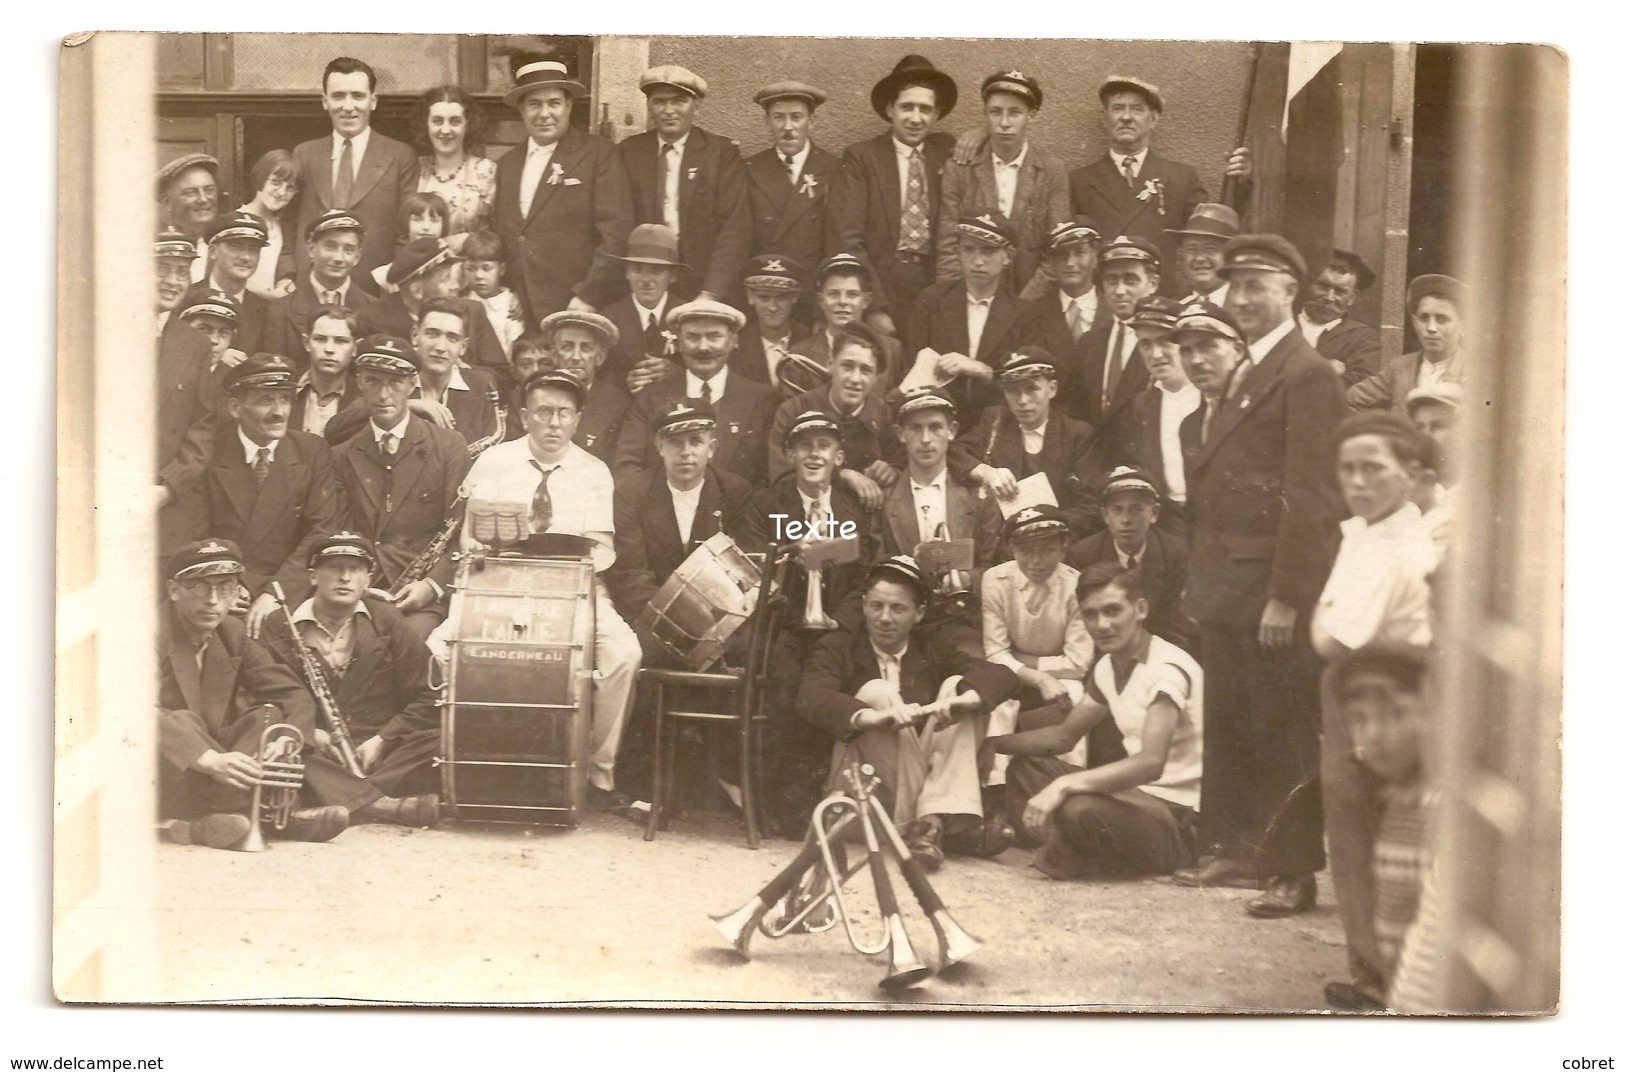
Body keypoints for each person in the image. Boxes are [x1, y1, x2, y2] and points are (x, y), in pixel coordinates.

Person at [1170, 239, 1345, 919]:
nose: (1240, 299)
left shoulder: (1305, 373)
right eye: (1233, 285)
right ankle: (1241, 850)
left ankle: (1291, 870)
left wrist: (1286, 595)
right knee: (1234, 722)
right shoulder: (1248, 372)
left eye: (1256, 286)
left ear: (1290, 292)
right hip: (1226, 587)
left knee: (1282, 726)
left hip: (1269, 591)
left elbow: (1311, 496)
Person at [157, 539, 434, 850]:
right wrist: (207, 759)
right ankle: (280, 816)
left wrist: (291, 738)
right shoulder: (145, 631)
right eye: (199, 587)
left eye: (224, 588)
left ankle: (228, 820)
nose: (212, 601)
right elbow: (128, 711)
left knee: (271, 718)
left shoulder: (230, 632)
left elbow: (292, 693)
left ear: (236, 592)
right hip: (166, 774)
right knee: (183, 719)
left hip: (222, 777)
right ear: (173, 590)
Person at [458, 370, 643, 803]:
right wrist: (482, 554)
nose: (554, 423)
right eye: (544, 412)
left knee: (624, 655)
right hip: (500, 590)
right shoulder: (493, 461)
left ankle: (598, 772)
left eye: (564, 413)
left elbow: (604, 551)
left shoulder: (594, 472)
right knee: (439, 647)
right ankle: (472, 764)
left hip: (578, 594)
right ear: (524, 417)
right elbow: (467, 538)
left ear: (578, 420)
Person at [1312, 415, 1437, 1006]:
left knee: (1364, 836)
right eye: (1347, 469)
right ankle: (1372, 965)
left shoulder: (1401, 546)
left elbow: (1331, 639)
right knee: (1353, 831)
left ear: (1412, 475)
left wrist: (1320, 623)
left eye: (1374, 469)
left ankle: (1380, 975)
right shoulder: (1366, 532)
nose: (1357, 482)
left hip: (1375, 694)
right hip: (1353, 689)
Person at [797, 555, 1020, 870]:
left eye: (898, 609)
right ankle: (939, 824)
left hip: (908, 790)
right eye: (876, 606)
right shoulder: (839, 647)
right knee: (878, 692)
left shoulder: (930, 648)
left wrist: (964, 702)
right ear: (863, 606)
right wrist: (870, 717)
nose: (885, 618)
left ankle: (927, 827)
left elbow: (1001, 676)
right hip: (860, 794)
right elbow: (812, 697)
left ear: (919, 614)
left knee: (960, 687)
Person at [990, 562, 1204, 879]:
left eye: (1113, 611)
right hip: (1132, 798)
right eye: (1091, 614)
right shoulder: (1107, 667)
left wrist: (1064, 784)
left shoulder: (1166, 669)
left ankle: (1078, 850)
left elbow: (1150, 763)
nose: (1101, 625)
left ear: (1140, 609)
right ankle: (1075, 848)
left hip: (1176, 815)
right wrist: (988, 745)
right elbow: (1063, 737)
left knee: (1079, 809)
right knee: (1026, 766)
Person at [739, 411, 881, 832]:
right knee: (784, 683)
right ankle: (781, 805)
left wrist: (839, 621)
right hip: (781, 625)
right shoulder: (767, 504)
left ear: (839, 457)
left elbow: (865, 580)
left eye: (824, 446)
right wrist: (787, 559)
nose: (814, 454)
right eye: (805, 446)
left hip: (837, 628)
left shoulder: (852, 508)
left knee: (830, 686)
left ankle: (822, 795)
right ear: (789, 454)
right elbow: (747, 569)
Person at [257, 532, 444, 814]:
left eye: (355, 569)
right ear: (312, 577)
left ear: (367, 580)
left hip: (376, 748)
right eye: (334, 567)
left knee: (443, 738)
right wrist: (309, 734)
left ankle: (337, 797)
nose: (345, 577)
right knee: (283, 749)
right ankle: (378, 806)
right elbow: (260, 699)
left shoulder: (386, 619)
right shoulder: (279, 625)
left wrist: (383, 740)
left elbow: (431, 696)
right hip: (318, 749)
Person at [329, 334, 472, 640]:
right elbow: (338, 530)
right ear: (358, 382)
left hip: (421, 600)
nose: (383, 394)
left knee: (399, 649)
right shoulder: (341, 455)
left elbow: (461, 533)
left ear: (413, 384)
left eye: (395, 382)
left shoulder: (449, 447)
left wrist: (431, 586)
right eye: (373, 381)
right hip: (358, 591)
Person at [1320, 647, 1436, 1011]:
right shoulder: (1400, 800)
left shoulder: (1438, 809)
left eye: (1396, 714)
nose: (1374, 734)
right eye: (1358, 719)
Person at [203, 352, 347, 636]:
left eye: (284, 399)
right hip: (223, 588)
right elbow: (198, 529)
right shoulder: (211, 451)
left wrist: (274, 592)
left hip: (288, 588)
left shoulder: (312, 451)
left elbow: (320, 532)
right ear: (235, 407)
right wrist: (229, 585)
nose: (279, 412)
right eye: (265, 400)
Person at [1067, 76, 1252, 288]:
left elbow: (1213, 233)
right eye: (1118, 108)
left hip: (1161, 301)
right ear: (1104, 118)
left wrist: (1239, 184)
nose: (1126, 117)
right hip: (1104, 301)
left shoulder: (1181, 178)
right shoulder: (1079, 181)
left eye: (1137, 109)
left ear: (1153, 119)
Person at [492, 57, 634, 327]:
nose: (544, 113)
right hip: (520, 309)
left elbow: (616, 235)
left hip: (578, 305)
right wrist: (509, 290)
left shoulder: (598, 154)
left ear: (568, 106)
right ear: (521, 109)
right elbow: (506, 234)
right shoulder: (508, 164)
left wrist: (589, 295)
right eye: (534, 104)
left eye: (553, 103)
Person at [979, 505, 1093, 817]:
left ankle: (1068, 786)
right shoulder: (996, 580)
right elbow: (995, 653)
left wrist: (1022, 662)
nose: (1036, 562)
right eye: (1026, 551)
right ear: (1012, 548)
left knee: (1076, 695)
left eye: (1047, 550)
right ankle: (995, 794)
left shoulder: (1076, 586)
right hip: (1014, 676)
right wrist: (1040, 677)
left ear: (1064, 547)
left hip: (1059, 678)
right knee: (998, 700)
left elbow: (1079, 663)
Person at [609, 399, 751, 636]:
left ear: (712, 448)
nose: (686, 452)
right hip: (652, 619)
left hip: (720, 621)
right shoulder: (632, 492)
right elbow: (632, 574)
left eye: (696, 441)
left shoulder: (734, 491)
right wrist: (671, 628)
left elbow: (740, 571)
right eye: (675, 443)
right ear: (660, 447)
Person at [877, 391, 1002, 659]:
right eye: (915, 428)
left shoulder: (980, 496)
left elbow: (994, 566)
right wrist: (913, 562)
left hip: (959, 620)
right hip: (899, 620)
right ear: (901, 434)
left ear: (952, 431)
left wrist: (967, 579)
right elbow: (872, 566)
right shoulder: (883, 497)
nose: (925, 439)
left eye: (935, 427)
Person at [838, 55, 960, 328]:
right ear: (890, 109)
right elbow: (848, 238)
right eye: (907, 107)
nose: (916, 118)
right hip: (883, 281)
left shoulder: (947, 152)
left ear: (937, 114)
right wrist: (874, 306)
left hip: (933, 282)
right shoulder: (862, 158)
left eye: (925, 109)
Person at [619, 65, 751, 305]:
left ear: (696, 107)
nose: (669, 111)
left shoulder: (721, 153)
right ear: (649, 107)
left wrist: (712, 293)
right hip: (646, 284)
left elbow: (735, 229)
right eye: (659, 102)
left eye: (679, 101)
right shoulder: (630, 152)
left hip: (703, 284)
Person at [615, 298, 779, 488]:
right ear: (679, 343)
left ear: (733, 340)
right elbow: (627, 466)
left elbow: (771, 476)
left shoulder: (764, 399)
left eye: (714, 336)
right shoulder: (650, 398)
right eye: (693, 337)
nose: (703, 347)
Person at [935, 70, 1070, 300]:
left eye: (1015, 113)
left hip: (1030, 303)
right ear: (985, 114)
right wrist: (962, 303)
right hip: (971, 299)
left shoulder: (1051, 171)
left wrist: (1025, 304)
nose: (1004, 123)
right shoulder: (959, 169)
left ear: (1032, 115)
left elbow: (1057, 250)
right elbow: (948, 246)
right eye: (995, 112)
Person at [954, 347, 1109, 539]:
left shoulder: (1077, 434)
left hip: (1059, 544)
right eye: (1013, 391)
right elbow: (953, 452)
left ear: (1052, 389)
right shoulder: (996, 420)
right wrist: (988, 473)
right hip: (1003, 548)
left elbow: (1094, 508)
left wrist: (1043, 527)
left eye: (1032, 389)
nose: (1023, 400)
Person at [291, 57, 419, 278]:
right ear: (325, 101)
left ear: (373, 101)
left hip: (374, 292)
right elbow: (286, 223)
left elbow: (406, 233)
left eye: (357, 96)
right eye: (338, 96)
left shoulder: (400, 156)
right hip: (310, 286)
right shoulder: (304, 154)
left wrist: (394, 284)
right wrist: (288, 274)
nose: (348, 107)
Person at [331, 292, 501, 448]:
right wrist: (406, 406)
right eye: (432, 334)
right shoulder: (392, 378)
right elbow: (336, 430)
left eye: (452, 338)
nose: (440, 347)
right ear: (415, 335)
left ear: (463, 347)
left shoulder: (481, 384)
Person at [768, 321, 904, 507]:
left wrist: (891, 470)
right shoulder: (793, 410)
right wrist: (841, 475)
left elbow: (902, 464)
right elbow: (780, 479)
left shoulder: (883, 414)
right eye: (847, 366)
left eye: (866, 370)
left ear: (876, 378)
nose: (855, 379)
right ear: (831, 364)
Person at [1064, 465, 1193, 653]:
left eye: (1136, 509)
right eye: (1116, 510)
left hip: (1159, 652)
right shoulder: (1085, 554)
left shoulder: (1175, 552)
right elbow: (1084, 623)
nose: (1125, 520)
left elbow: (1177, 625)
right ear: (1105, 515)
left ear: (1154, 513)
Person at [906, 213, 1022, 420]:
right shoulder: (932, 301)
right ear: (957, 252)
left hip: (999, 425)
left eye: (989, 251)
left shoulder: (1023, 313)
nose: (978, 261)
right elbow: (910, 370)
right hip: (937, 422)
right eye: (969, 249)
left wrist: (984, 371)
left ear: (1008, 257)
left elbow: (1025, 386)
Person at [743, 81, 846, 313]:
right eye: (779, 117)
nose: (788, 127)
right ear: (767, 122)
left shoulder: (834, 169)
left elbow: (840, 240)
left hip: (812, 295)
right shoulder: (751, 169)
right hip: (768, 294)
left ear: (812, 121)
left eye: (796, 117)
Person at [155, 227, 222, 559]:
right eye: (162, 268)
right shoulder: (103, 331)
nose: (173, 280)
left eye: (182, 271)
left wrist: (166, 487)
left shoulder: (194, 343)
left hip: (169, 505)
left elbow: (202, 427)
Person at [355, 236, 505, 371]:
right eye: (445, 279)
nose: (454, 286)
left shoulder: (473, 313)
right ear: (417, 291)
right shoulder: (370, 321)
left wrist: (465, 374)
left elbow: (501, 376)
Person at [1070, 235, 1160, 459]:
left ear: (1153, 283)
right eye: (1112, 280)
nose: (1120, 290)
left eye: (1130, 280)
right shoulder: (1090, 343)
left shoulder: (1167, 344)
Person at [1120, 295, 1202, 535]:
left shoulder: (1213, 397)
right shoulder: (1142, 405)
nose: (1155, 354)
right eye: (1145, 344)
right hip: (1166, 527)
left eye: (1164, 341)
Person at [264, 209, 377, 362]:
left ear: (357, 257)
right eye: (330, 247)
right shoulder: (280, 311)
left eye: (348, 249)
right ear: (311, 249)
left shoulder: (373, 310)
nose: (338, 257)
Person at [1014, 218, 1108, 399]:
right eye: (1062, 255)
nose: (1070, 262)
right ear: (1050, 262)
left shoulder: (1115, 314)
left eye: (1080, 252)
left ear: (1095, 257)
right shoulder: (1033, 315)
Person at [1347, 274, 1468, 413]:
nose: (1431, 328)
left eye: (1442, 319)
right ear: (1415, 322)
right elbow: (1351, 400)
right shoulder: (1400, 368)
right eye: (1424, 318)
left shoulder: (1476, 373)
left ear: (1463, 326)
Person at [788, 252, 902, 387]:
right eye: (833, 294)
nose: (842, 301)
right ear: (820, 300)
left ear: (866, 300)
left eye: (852, 295)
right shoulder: (800, 353)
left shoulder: (891, 350)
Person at [532, 310, 631, 464]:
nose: (576, 357)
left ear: (600, 357)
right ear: (554, 353)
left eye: (586, 348)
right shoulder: (532, 396)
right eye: (567, 347)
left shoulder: (618, 404)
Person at [600, 223, 686, 393]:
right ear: (627, 273)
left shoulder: (686, 315)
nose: (646, 279)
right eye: (637, 270)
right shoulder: (608, 320)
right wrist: (624, 381)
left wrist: (676, 372)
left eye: (656, 270)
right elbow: (598, 375)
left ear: (672, 276)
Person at [415, 85, 498, 236]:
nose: (445, 130)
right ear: (426, 124)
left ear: (468, 125)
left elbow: (499, 234)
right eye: (437, 121)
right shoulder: (413, 169)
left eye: (455, 121)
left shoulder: (488, 172)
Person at [190, 210, 272, 354]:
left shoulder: (267, 311)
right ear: (213, 251)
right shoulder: (186, 299)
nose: (246, 257)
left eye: (254, 249)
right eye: (236, 246)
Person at [1299, 249, 1383, 388]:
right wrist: (1325, 369)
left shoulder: (1363, 338)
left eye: (1340, 292)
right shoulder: (1280, 323)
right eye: (1323, 286)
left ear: (1352, 298)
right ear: (1308, 284)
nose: (1329, 297)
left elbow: (1361, 387)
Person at [730, 254, 809, 391]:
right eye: (764, 297)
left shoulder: (811, 339)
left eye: (781, 298)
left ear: (794, 297)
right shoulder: (736, 345)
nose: (772, 307)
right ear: (750, 296)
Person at [238, 149, 303, 299]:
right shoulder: (238, 219)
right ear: (261, 178)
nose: (281, 192)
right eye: (275, 182)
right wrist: (266, 296)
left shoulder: (278, 228)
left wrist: (283, 282)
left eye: (290, 188)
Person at [291, 304, 362, 436]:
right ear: (307, 343)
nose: (329, 349)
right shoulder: (286, 388)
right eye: (320, 339)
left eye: (340, 341)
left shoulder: (362, 398)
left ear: (355, 348)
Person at [157, 153, 220, 281]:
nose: (203, 199)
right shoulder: (154, 247)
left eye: (209, 190)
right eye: (191, 193)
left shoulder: (225, 248)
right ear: (167, 202)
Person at [463, 230, 525, 360]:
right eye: (471, 268)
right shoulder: (463, 302)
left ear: (501, 269)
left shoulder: (510, 305)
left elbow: (515, 348)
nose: (479, 276)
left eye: (486, 268)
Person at [1166, 202, 1240, 307]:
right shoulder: (1173, 308)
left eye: (1210, 249)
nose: (1199, 258)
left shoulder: (1244, 308)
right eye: (1192, 249)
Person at [175, 288, 243, 376]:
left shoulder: (232, 382)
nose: (214, 340)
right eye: (204, 329)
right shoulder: (161, 370)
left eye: (224, 333)